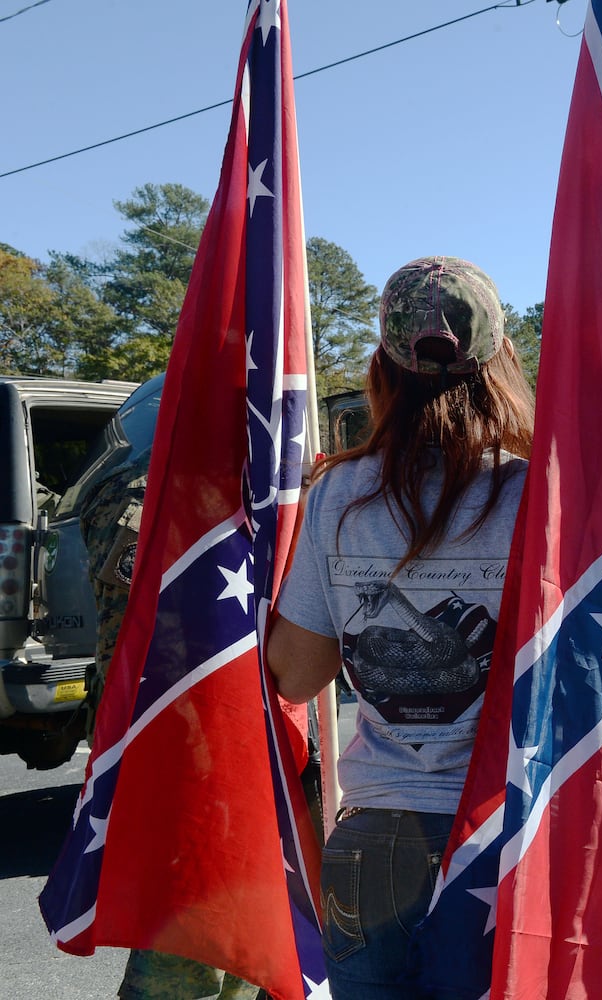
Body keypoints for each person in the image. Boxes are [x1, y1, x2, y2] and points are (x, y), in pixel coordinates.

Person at [267, 257, 534, 998]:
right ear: (499, 360)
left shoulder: (339, 494)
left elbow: (296, 673)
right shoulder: (540, 495)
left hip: (377, 831)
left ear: (385, 366)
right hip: (505, 828)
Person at [81, 455, 264, 1000]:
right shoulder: (145, 491)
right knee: (184, 943)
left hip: (251, 741)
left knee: (255, 941)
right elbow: (145, 646)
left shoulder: (268, 475)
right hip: (184, 741)